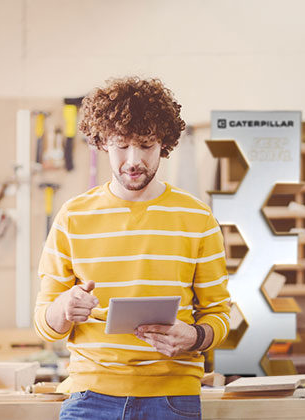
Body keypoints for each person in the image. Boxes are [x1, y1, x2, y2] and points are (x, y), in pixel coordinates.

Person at [34, 76, 231, 420]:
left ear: (164, 143)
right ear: (103, 143)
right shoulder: (73, 216)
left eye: (146, 144)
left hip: (172, 397)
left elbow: (219, 314)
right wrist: (64, 308)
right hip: (90, 397)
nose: (133, 159)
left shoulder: (197, 217)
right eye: (122, 145)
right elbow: (44, 321)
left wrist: (195, 336)